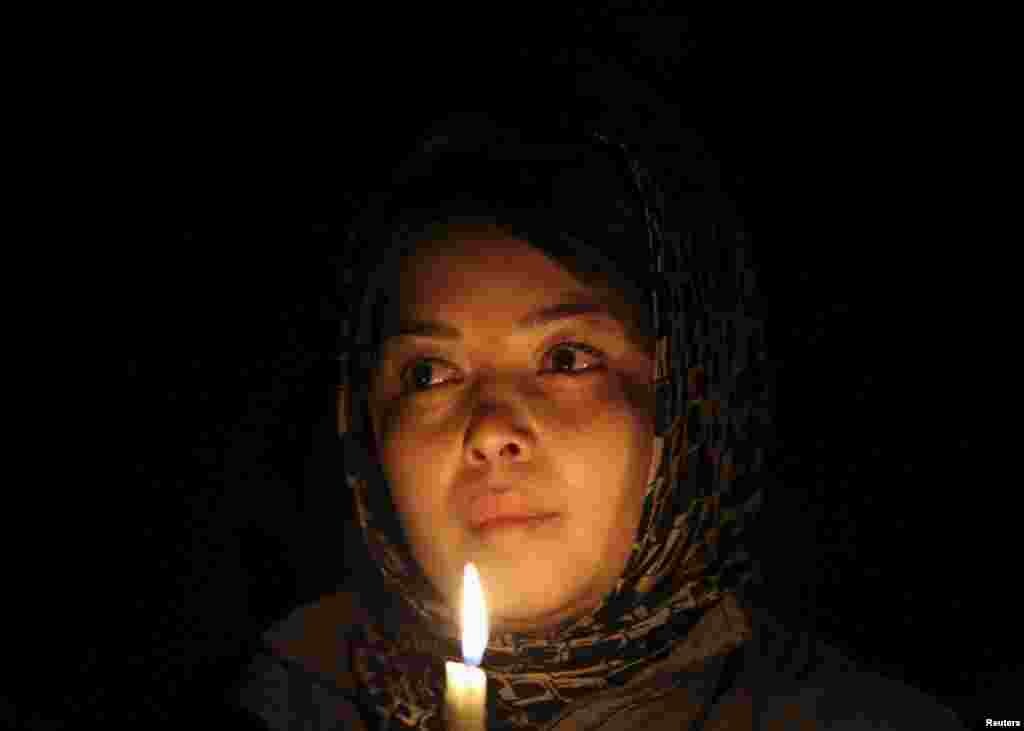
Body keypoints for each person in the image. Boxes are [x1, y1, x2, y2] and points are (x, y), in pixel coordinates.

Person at [231, 111, 967, 729]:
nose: (490, 432)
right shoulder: (276, 707)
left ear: (690, 405)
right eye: (430, 373)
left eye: (567, 359)